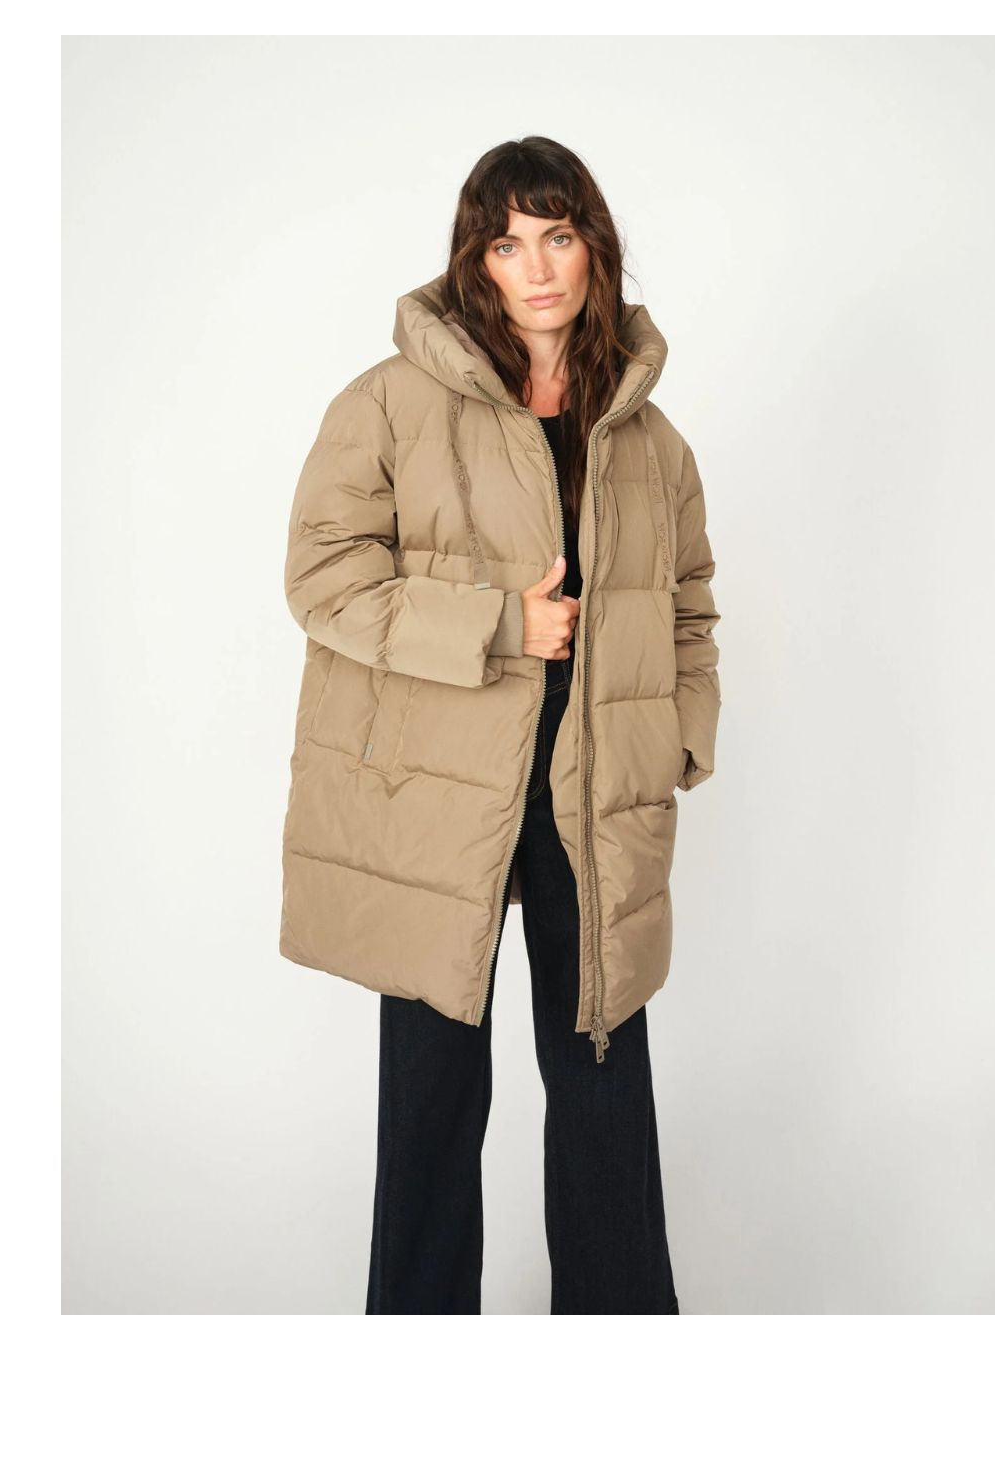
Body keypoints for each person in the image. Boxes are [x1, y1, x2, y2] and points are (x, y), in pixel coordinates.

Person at [280, 136, 722, 1314]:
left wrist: (678, 742)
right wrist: (497, 624)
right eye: (507, 242)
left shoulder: (649, 439)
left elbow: (689, 603)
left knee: (603, 1085)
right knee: (431, 1096)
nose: (535, 268)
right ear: (475, 258)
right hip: (439, 783)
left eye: (557, 237)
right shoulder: (390, 404)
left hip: (592, 782)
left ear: (593, 249)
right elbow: (323, 580)